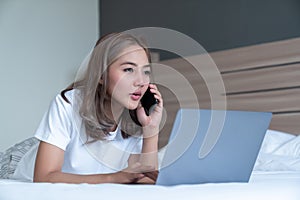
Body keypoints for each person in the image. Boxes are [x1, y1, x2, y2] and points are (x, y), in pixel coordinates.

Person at [33, 32, 163, 184]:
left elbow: (146, 180)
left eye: (146, 71)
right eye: (128, 69)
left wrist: (151, 130)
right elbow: (43, 177)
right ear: (101, 75)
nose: (141, 81)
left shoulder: (136, 117)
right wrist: (114, 178)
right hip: (21, 159)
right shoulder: (68, 104)